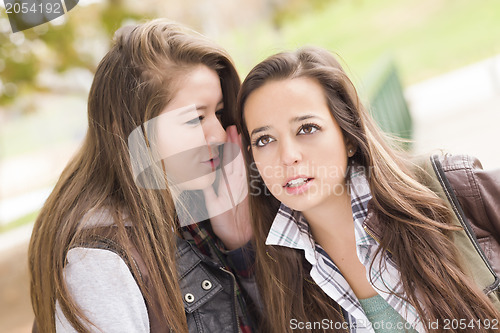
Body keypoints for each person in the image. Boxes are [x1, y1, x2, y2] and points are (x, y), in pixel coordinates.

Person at [235, 46, 500, 333]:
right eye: (264, 140)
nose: (288, 156)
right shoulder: (277, 271)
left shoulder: (448, 188)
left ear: (348, 135)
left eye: (307, 129)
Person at [29, 19, 258, 333]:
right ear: (130, 130)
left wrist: (240, 246)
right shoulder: (98, 264)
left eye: (218, 113)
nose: (219, 134)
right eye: (195, 119)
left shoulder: (193, 211)